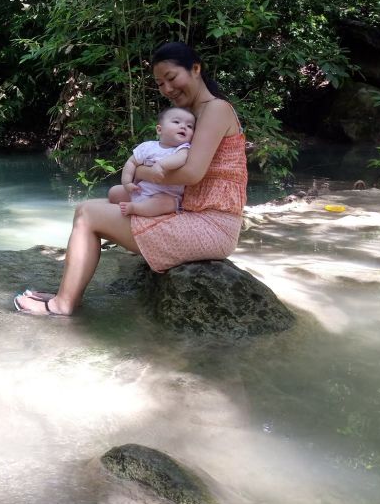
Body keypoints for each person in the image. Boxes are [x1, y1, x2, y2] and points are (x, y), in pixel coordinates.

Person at [14, 42, 247, 316]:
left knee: (88, 214)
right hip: (191, 215)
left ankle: (62, 304)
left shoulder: (215, 109)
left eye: (171, 78)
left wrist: (140, 172)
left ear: (196, 69)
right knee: (96, 205)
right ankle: (66, 294)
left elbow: (191, 174)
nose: (168, 89)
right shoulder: (194, 116)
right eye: (160, 84)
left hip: (211, 226)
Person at [108, 106, 195, 217]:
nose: (183, 126)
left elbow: (181, 158)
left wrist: (161, 164)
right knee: (114, 192)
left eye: (189, 126)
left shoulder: (183, 148)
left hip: (165, 195)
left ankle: (135, 208)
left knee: (163, 202)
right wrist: (127, 182)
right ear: (159, 129)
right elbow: (131, 163)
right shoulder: (147, 146)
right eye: (176, 122)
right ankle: (137, 204)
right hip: (141, 190)